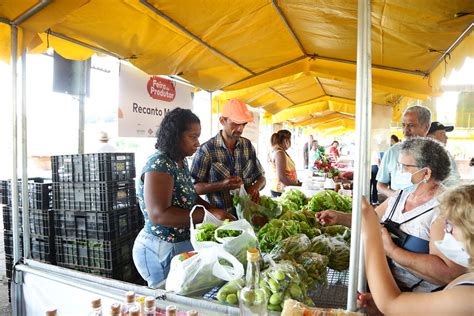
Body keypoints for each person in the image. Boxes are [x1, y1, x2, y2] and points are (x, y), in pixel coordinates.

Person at [317, 138, 466, 292]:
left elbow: (448, 272)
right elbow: (371, 219)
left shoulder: (444, 210)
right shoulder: (401, 196)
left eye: (405, 166)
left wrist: (393, 252)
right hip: (384, 289)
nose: (400, 171)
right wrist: (340, 218)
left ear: (426, 172)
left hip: (417, 301)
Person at [132, 108, 234, 287]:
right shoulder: (159, 164)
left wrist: (215, 211)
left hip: (180, 243)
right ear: (175, 136)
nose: (198, 143)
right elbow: (160, 215)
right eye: (193, 137)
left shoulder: (180, 161)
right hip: (159, 248)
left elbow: (191, 197)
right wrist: (207, 217)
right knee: (166, 302)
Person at [357, 185, 474, 315]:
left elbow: (390, 303)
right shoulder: (468, 279)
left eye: (451, 225)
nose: (447, 231)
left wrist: (372, 235)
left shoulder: (468, 296)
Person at [191, 99, 266, 215]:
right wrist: (221, 185)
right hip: (220, 219)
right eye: (235, 123)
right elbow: (194, 188)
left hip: (248, 216)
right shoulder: (206, 150)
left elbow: (261, 177)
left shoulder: (248, 146)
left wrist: (255, 187)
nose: (240, 129)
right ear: (222, 120)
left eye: (243, 124)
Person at [377, 106, 432, 198]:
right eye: (403, 125)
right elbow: (380, 185)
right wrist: (395, 196)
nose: (405, 130)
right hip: (398, 206)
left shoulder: (436, 154)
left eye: (411, 125)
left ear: (426, 127)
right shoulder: (392, 152)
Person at [427, 121, 461, 187]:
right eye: (442, 134)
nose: (446, 137)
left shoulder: (446, 153)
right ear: (430, 137)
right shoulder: (428, 156)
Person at [269, 130, 301, 197]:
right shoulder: (279, 153)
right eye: (290, 140)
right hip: (280, 190)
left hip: (283, 189)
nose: (291, 142)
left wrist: (297, 182)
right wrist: (297, 185)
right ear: (286, 140)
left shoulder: (281, 151)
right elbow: (281, 177)